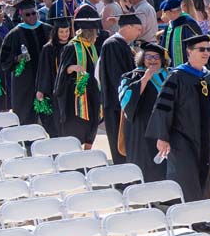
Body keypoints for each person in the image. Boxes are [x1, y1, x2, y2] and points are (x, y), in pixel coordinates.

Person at [146, 34, 210, 201]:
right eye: (201, 49)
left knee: (204, 177)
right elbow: (163, 107)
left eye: (209, 49)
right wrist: (162, 137)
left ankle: (201, 215)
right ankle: (186, 217)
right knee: (185, 178)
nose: (206, 52)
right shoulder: (177, 77)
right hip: (182, 139)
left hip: (206, 139)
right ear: (189, 51)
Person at [117, 42, 170, 181]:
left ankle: (167, 196)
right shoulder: (132, 76)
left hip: (167, 127)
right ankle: (146, 196)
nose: (153, 60)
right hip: (142, 129)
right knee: (145, 163)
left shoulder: (171, 75)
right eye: (148, 57)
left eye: (157, 57)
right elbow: (125, 101)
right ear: (142, 59)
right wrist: (145, 79)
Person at [96, 13, 144, 163]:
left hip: (122, 103)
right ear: (128, 27)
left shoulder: (121, 45)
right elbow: (118, 77)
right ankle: (124, 180)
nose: (139, 33)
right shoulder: (113, 45)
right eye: (137, 29)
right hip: (117, 104)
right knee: (119, 143)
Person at [53, 17, 103, 147]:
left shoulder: (91, 46)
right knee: (77, 123)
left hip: (92, 90)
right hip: (75, 94)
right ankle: (73, 149)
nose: (97, 34)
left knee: (92, 120)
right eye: (95, 32)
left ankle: (88, 147)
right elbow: (63, 70)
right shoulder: (72, 47)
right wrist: (73, 68)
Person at [0, 0, 49, 124]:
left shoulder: (47, 29)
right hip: (25, 81)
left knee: (49, 113)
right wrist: (17, 58)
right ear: (21, 16)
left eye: (34, 13)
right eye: (27, 14)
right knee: (25, 112)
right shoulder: (14, 34)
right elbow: (3, 60)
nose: (32, 17)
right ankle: (27, 140)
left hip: (46, 78)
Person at [35, 18, 71, 136]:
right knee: (55, 117)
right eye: (61, 32)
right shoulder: (48, 48)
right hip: (53, 89)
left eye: (67, 31)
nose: (65, 34)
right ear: (56, 32)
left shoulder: (73, 46)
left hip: (70, 88)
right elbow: (43, 70)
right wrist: (40, 89)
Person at [159, 0, 201, 68]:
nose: (165, 16)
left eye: (166, 13)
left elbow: (198, 45)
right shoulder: (170, 24)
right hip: (171, 66)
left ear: (170, 12)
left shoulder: (188, 23)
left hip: (188, 66)